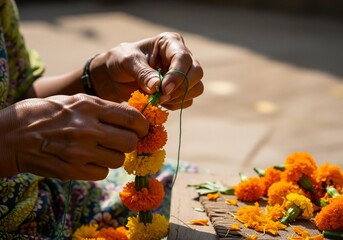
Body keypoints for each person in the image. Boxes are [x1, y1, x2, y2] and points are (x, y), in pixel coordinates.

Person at [0, 0, 204, 239]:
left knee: (193, 189)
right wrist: (6, 142)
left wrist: (98, 77)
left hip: (46, 193)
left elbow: (18, 91)